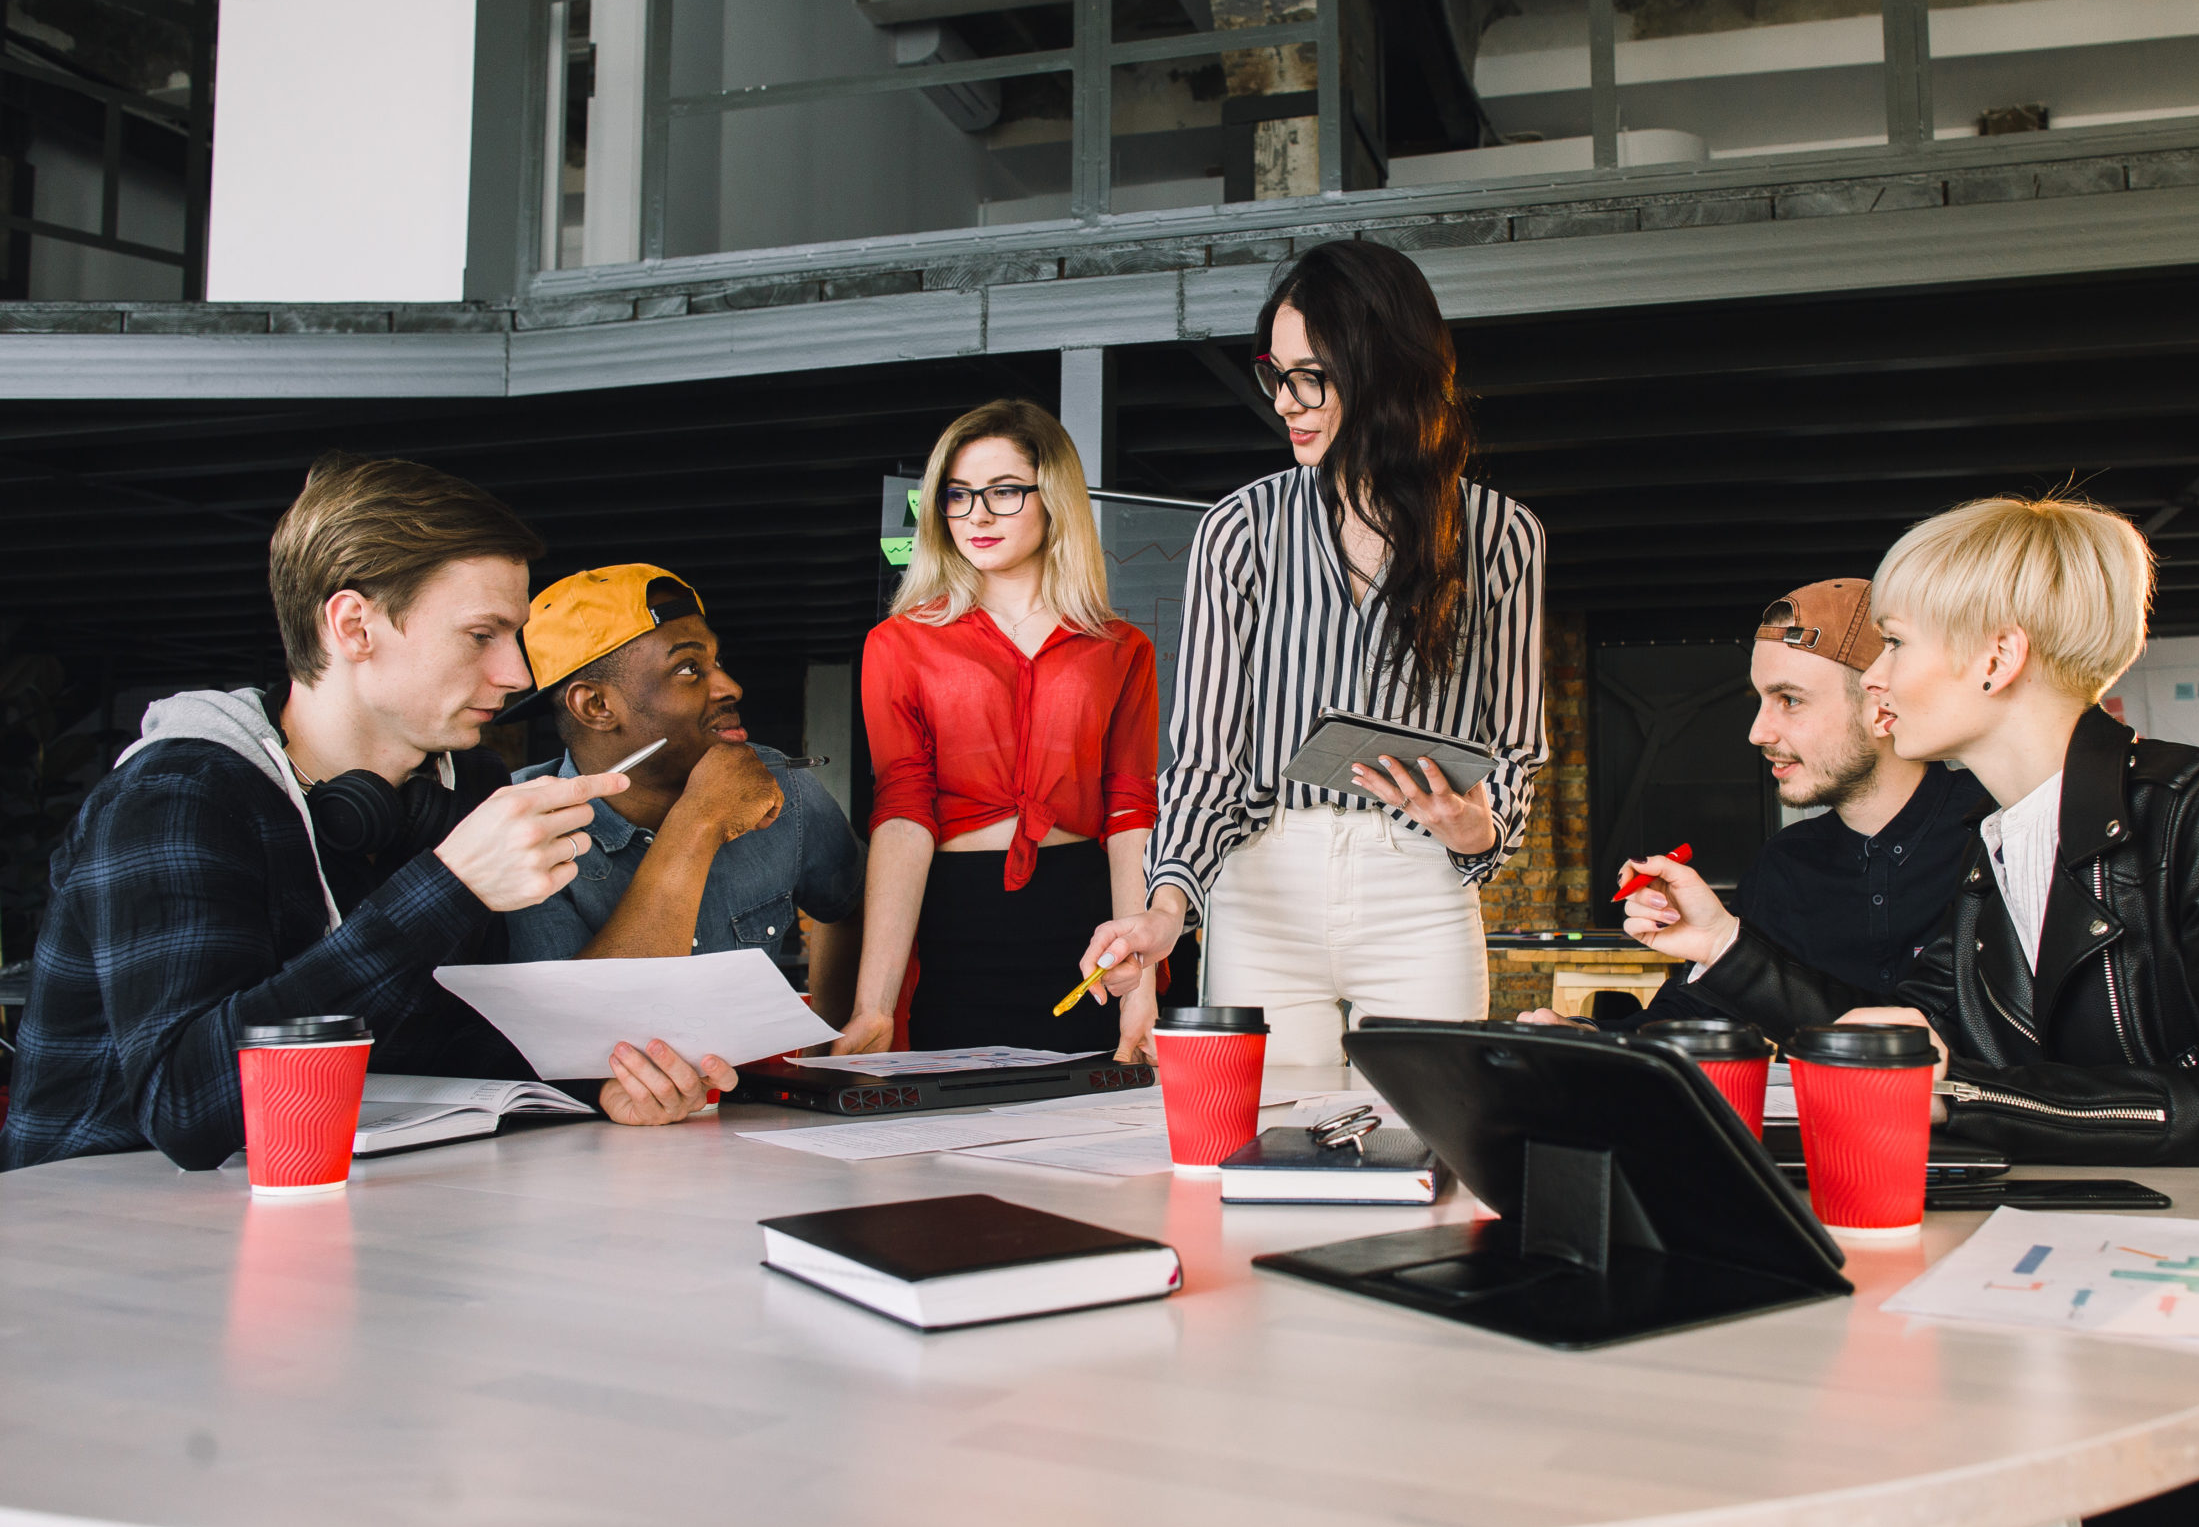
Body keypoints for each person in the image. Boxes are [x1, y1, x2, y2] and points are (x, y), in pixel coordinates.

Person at [1621, 495, 2199, 1527]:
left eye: (1898, 644)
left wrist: (1963, 1088)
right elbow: (1896, 1038)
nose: (1874, 679)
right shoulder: (1995, 859)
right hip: (2124, 1328)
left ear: (1998, 656)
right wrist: (1722, 944)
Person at [4, 455, 735, 1173]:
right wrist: (450, 886)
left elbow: (443, 1049)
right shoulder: (177, 795)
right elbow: (190, 1109)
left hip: (349, 1214)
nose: (516, 674)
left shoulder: (458, 786)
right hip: (103, 1227)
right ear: (354, 626)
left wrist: (604, 1083)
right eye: (482, 635)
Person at [1081, 238, 1547, 1066]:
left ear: (1386, 371)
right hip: (1264, 880)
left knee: (1428, 1155)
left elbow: (1514, 749)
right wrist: (1163, 910)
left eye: (1312, 377)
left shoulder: (1502, 535)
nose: (1286, 402)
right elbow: (1205, 759)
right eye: (1276, 373)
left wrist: (1477, 826)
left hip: (1419, 885)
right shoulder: (1240, 530)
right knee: (1260, 1149)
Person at [1519, 578, 1985, 1027]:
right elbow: (1696, 1010)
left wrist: (1728, 945)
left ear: (1882, 707)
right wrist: (1592, 1038)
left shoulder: (1995, 836)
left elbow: (1941, 1036)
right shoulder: (1786, 861)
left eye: (1789, 700)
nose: (1757, 733)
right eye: (1761, 699)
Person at [842, 400, 1160, 1058]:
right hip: (954, 920)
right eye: (958, 496)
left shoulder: (1121, 648)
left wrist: (1143, 984)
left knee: (1088, 1140)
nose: (976, 514)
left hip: (1082, 922)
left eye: (1004, 491)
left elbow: (1131, 811)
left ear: (1054, 499)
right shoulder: (898, 643)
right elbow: (901, 812)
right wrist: (873, 1003)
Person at [501, 565, 864, 1027]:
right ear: (596, 706)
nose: (730, 687)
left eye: (717, 662)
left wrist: (826, 1043)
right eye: (689, 669)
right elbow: (586, 1030)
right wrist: (699, 821)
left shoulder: (778, 782)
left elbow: (854, 904)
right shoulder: (525, 825)